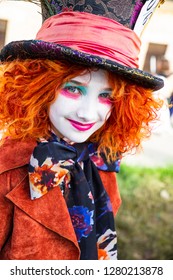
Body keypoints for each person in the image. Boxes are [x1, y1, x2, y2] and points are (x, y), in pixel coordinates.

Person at [0, 0, 164, 260]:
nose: (87, 114)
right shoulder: (6, 171)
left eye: (106, 96)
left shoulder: (99, 159)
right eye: (73, 88)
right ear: (38, 87)